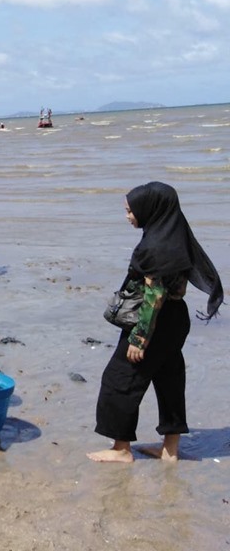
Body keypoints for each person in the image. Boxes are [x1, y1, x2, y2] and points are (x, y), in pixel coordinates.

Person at [88, 182, 223, 464]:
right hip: (177, 319)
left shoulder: (155, 246)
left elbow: (154, 296)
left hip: (155, 321)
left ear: (151, 210)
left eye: (131, 211)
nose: (128, 216)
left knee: (119, 380)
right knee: (169, 378)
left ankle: (121, 449)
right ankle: (170, 449)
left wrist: (139, 337)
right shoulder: (177, 236)